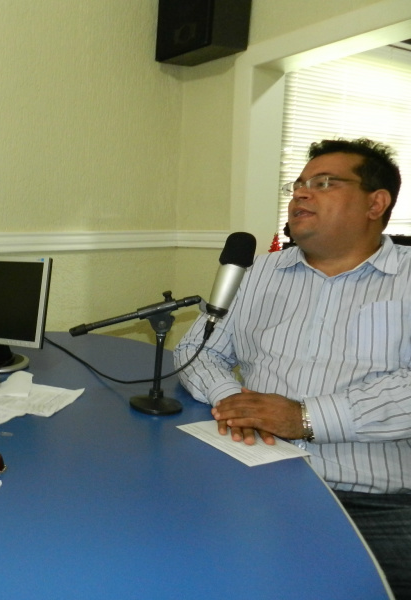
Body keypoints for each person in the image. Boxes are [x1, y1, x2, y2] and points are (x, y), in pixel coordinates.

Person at [174, 138, 410, 599]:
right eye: (298, 184)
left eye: (323, 183)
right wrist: (232, 399)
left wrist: (304, 417)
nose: (300, 193)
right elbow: (195, 349)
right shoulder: (259, 271)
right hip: (255, 472)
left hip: (375, 497)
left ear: (375, 203)